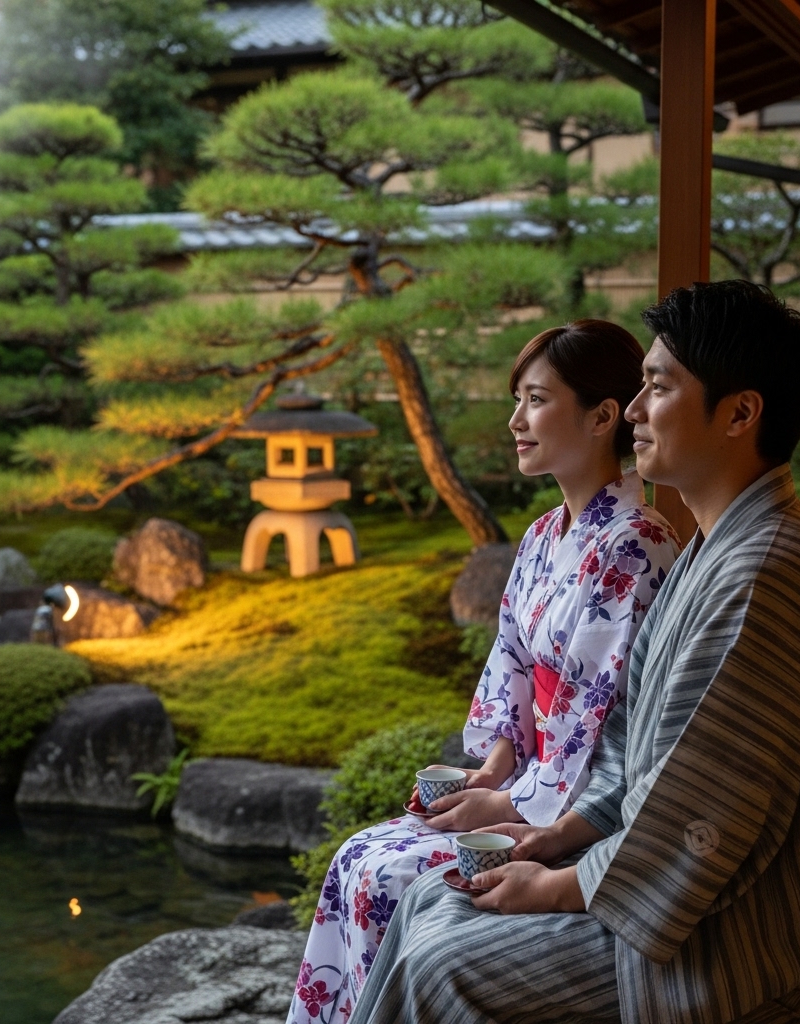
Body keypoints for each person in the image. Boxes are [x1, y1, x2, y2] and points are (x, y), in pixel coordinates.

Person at [349, 280, 800, 1024]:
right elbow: (625, 751)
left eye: (657, 387)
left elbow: (700, 810)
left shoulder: (758, 574)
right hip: (668, 887)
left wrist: (555, 883)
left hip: (731, 937)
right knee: (427, 899)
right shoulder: (717, 550)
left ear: (741, 413)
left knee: (444, 962)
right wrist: (553, 838)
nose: (637, 410)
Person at [287, 319, 681, 1024]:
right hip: (529, 787)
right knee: (353, 857)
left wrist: (509, 807)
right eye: (517, 400)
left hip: (577, 819)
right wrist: (490, 772)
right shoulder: (539, 536)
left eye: (534, 400)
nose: (515, 420)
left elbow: (606, 723)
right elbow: (513, 665)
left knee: (387, 875)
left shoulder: (636, 545)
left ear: (600, 417)